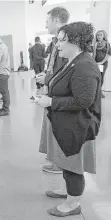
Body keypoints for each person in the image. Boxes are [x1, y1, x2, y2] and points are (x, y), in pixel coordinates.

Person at [36, 21, 101, 217]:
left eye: (61, 40)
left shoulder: (84, 66)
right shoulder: (73, 61)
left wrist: (51, 102)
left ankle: (73, 204)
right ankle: (68, 192)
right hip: (67, 124)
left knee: (73, 167)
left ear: (76, 41)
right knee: (65, 163)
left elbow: (82, 101)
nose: (57, 44)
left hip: (78, 127)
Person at [36, 6, 69, 174]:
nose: (46, 25)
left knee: (59, 129)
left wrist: (48, 78)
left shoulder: (67, 42)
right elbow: (54, 66)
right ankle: (56, 161)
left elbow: (65, 71)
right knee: (52, 127)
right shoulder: (56, 41)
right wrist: (46, 75)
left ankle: (61, 164)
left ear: (56, 20)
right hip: (53, 91)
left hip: (61, 94)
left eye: (47, 21)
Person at [93, 30, 111, 98]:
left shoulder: (107, 44)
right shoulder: (95, 44)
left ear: (103, 36)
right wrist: (93, 62)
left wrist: (101, 62)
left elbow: (108, 54)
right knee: (97, 77)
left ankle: (99, 92)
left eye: (100, 35)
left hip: (103, 64)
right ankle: (97, 92)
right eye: (98, 35)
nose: (99, 36)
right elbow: (94, 55)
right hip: (96, 63)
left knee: (101, 77)